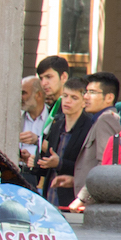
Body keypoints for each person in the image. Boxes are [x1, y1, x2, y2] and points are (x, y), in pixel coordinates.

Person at [66, 72, 121, 208]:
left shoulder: (107, 119)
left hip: (93, 203)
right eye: (86, 92)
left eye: (92, 92)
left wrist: (83, 198)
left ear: (109, 97)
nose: (85, 97)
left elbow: (105, 165)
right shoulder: (100, 119)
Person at [36, 75, 92, 209]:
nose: (67, 101)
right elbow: (48, 162)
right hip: (50, 195)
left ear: (84, 102)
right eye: (65, 96)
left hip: (71, 198)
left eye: (74, 98)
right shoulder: (57, 125)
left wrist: (59, 163)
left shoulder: (89, 127)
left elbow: (86, 167)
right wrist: (37, 162)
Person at [35, 55, 69, 133]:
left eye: (49, 77)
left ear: (64, 77)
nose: (43, 83)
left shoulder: (71, 107)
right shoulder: (45, 106)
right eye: (41, 78)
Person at [19, 74, 47, 167]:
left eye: (23, 93)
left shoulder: (52, 118)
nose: (20, 97)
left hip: (39, 175)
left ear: (38, 95)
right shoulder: (16, 117)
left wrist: (37, 140)